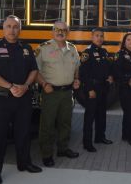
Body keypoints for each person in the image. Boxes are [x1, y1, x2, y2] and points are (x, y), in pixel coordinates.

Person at [0, 15, 42, 184]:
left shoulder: (27, 48)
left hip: (23, 97)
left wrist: (25, 86)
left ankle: (24, 163)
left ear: (20, 29)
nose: (12, 30)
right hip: (2, 99)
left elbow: (33, 70)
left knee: (23, 133)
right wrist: (10, 86)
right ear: (3, 28)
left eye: (15, 26)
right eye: (8, 26)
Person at [36, 21, 81, 167]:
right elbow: (35, 71)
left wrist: (76, 79)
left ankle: (63, 148)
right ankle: (47, 154)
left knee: (65, 123)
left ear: (67, 32)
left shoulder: (72, 49)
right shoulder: (43, 48)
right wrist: (44, 84)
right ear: (52, 31)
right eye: (57, 29)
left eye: (63, 30)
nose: (60, 32)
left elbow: (77, 68)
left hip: (67, 93)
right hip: (51, 93)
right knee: (47, 124)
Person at [79, 28, 114, 153]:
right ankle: (87, 143)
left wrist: (110, 76)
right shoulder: (87, 53)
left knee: (101, 115)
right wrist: (89, 89)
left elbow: (107, 68)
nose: (99, 38)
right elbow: (83, 74)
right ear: (92, 37)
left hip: (103, 88)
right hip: (92, 89)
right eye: (97, 36)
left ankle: (100, 137)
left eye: (101, 36)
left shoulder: (104, 52)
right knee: (90, 117)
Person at [113, 32, 131, 146]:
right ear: (124, 42)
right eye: (128, 40)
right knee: (129, 113)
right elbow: (116, 72)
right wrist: (127, 80)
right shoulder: (119, 55)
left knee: (129, 113)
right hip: (125, 88)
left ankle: (126, 134)